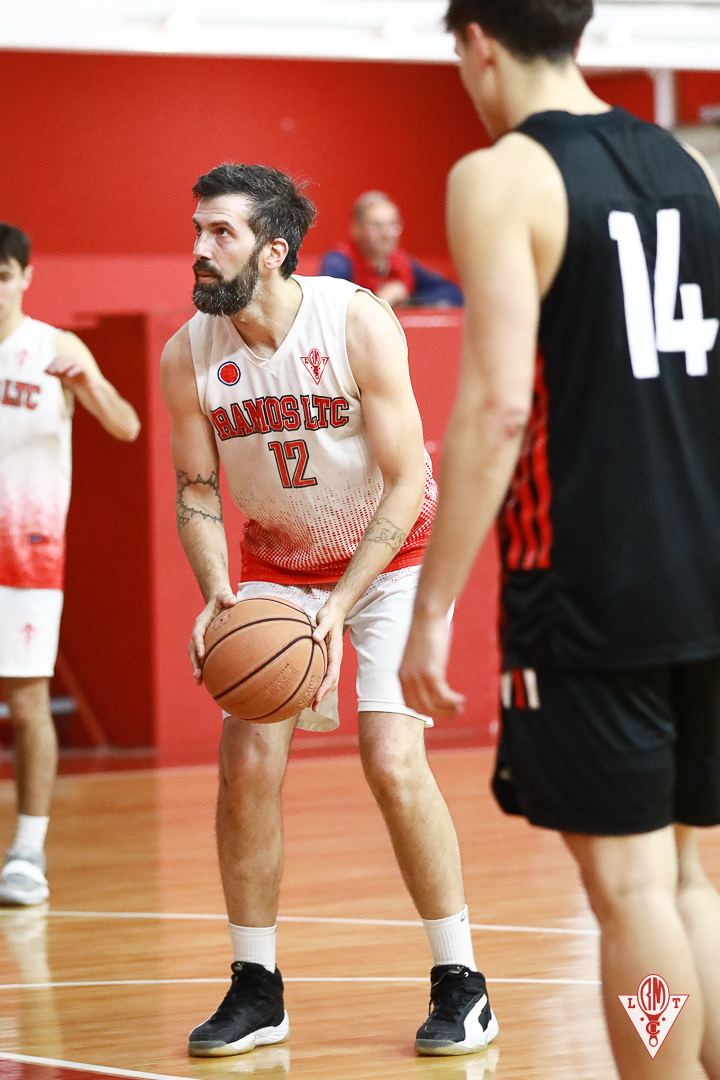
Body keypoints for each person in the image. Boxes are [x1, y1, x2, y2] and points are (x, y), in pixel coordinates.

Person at [399, 2, 720, 1079]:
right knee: (689, 879)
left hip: (593, 581)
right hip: (709, 570)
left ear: (477, 40)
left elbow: (495, 409)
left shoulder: (501, 175)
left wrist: (433, 606)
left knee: (630, 893)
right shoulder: (687, 166)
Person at [160, 163, 498, 1058]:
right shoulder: (186, 352)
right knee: (247, 761)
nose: (199, 247)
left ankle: (462, 983)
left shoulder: (353, 319)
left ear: (273, 250)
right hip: (277, 560)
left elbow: (410, 480)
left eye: (220, 233)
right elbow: (197, 488)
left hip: (394, 559)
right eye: (196, 228)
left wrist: (341, 605)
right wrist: (218, 596)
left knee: (390, 757)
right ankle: (256, 986)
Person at [0, 223, 141, 906]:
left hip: (25, 553)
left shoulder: (53, 348)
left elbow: (127, 425)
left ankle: (27, 850)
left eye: (3, 275)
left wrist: (87, 380)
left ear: (25, 277)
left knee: (26, 703)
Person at [320, 191, 463, 309]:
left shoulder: (403, 261)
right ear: (356, 228)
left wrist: (411, 300)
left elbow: (453, 293)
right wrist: (378, 300)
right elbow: (325, 305)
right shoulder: (339, 261)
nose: (387, 234)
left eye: (393, 225)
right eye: (376, 226)